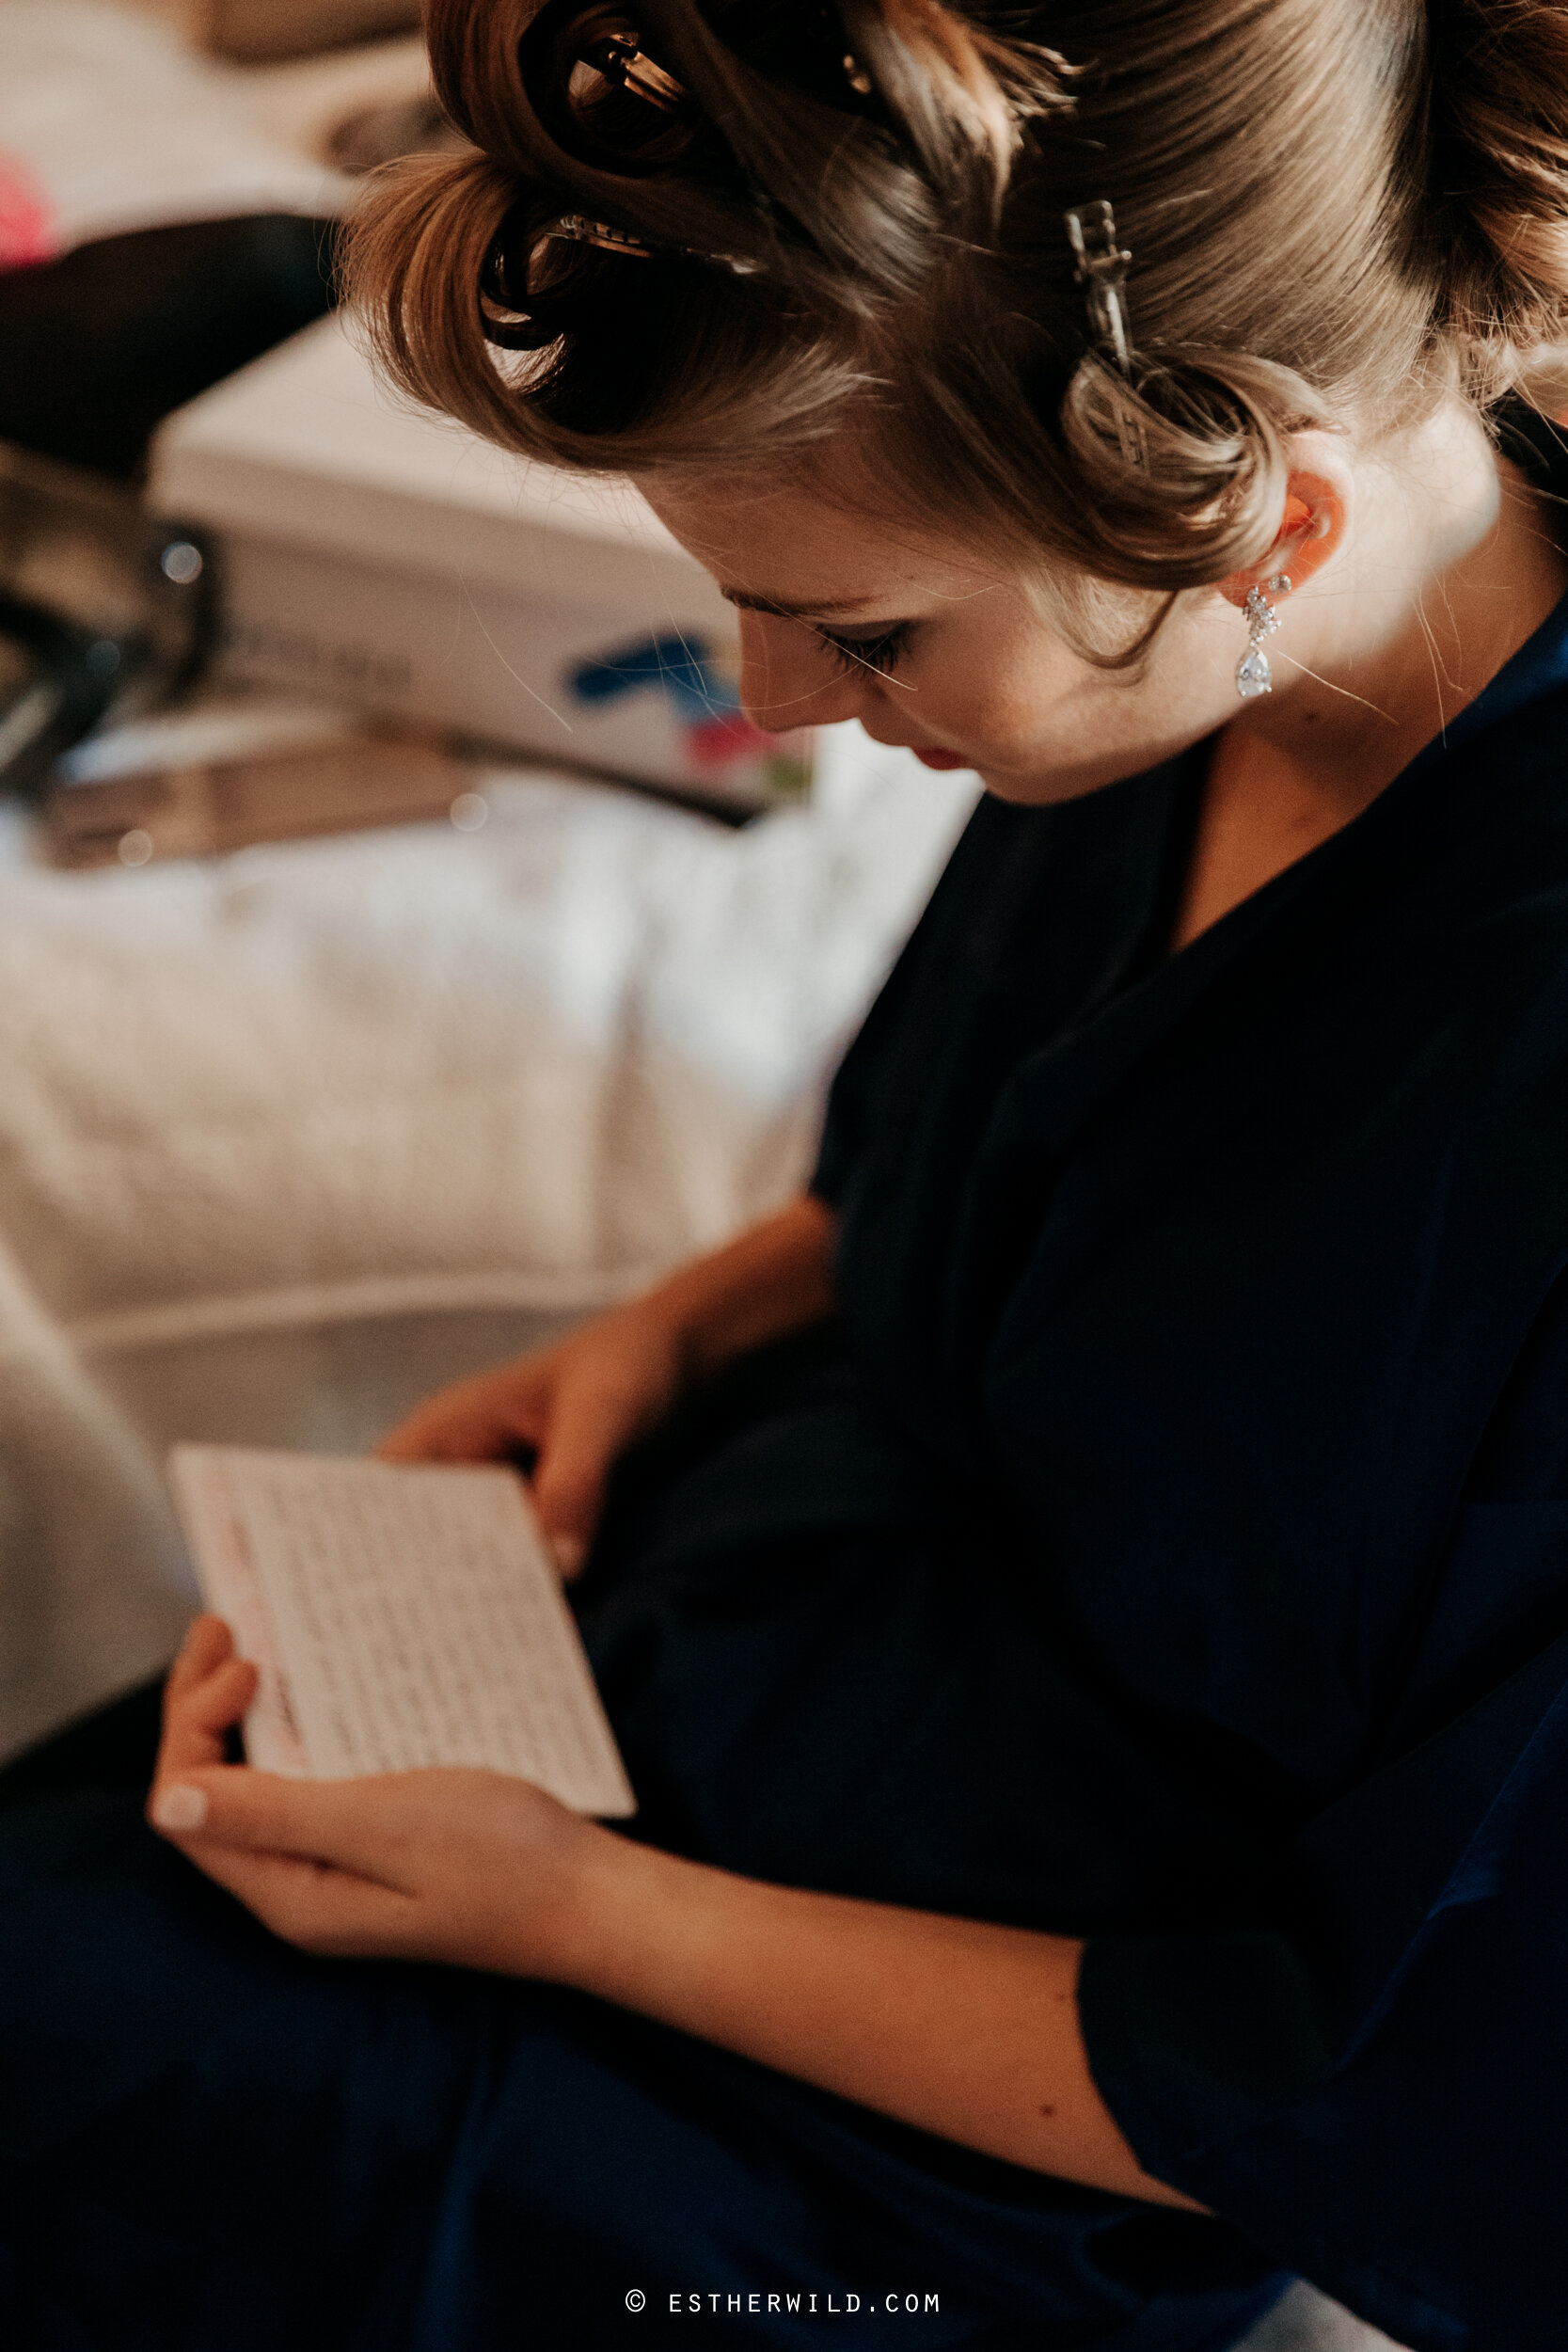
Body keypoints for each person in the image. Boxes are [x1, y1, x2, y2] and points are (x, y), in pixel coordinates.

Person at [5, 1, 1568, 2344]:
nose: (760, 699)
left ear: (1266, 519)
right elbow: (1039, 1195)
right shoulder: (1183, 683)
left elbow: (1341, 2073)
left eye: (860, 625)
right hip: (739, 1640)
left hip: (968, 2102)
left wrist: (568, 1907)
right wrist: (672, 1331)